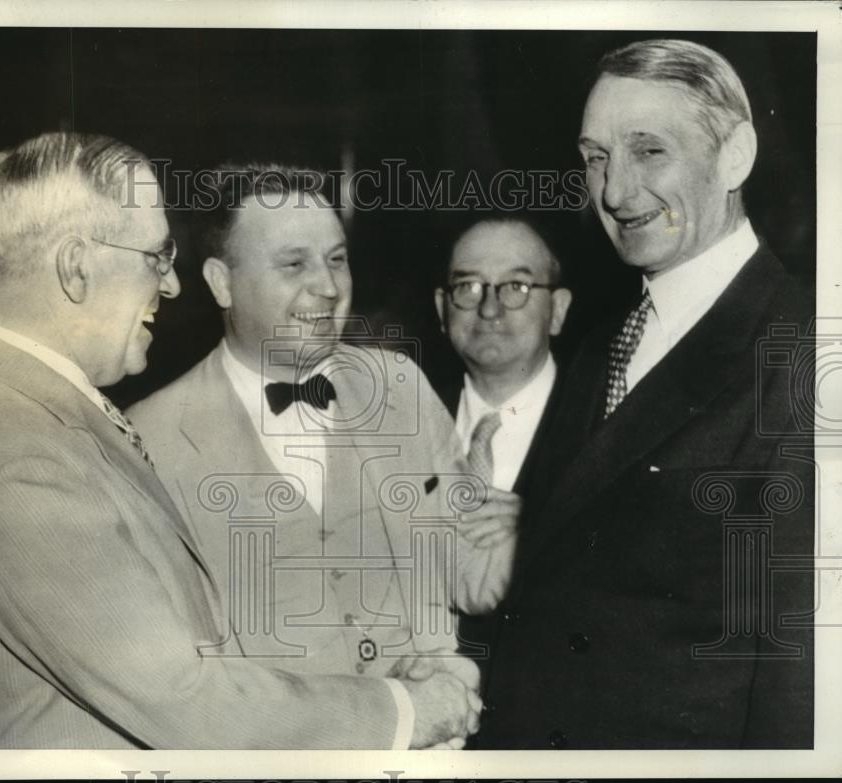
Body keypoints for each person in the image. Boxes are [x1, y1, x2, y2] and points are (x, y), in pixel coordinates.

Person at [0, 133, 480, 749]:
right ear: (75, 266)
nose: (170, 286)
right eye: (155, 256)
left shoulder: (11, 410)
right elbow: (185, 698)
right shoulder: (13, 452)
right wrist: (405, 710)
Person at [476, 39, 814, 749]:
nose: (615, 192)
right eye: (595, 156)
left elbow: (799, 684)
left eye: (648, 151)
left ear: (735, 156)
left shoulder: (806, 353)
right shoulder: (606, 341)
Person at [127, 165, 517, 704]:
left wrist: (523, 522)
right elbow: (174, 676)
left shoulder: (400, 385)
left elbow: (469, 576)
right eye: (294, 264)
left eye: (337, 260)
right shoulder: (149, 442)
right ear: (222, 282)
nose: (330, 287)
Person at [433, 216, 571, 693]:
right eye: (468, 286)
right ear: (441, 307)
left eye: (516, 286)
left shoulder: (603, 427)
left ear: (557, 310)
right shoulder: (400, 421)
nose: (490, 308)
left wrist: (546, 536)